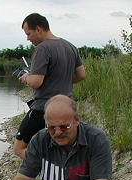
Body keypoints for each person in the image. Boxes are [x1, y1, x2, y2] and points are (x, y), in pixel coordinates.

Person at [14, 12, 86, 160]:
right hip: (66, 107)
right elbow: (81, 75)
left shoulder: (42, 48)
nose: (27, 38)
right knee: (56, 143)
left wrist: (26, 77)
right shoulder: (70, 46)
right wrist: (60, 80)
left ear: (38, 29)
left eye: (28, 33)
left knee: (19, 147)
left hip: (43, 109)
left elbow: (36, 82)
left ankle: (44, 168)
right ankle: (57, 168)